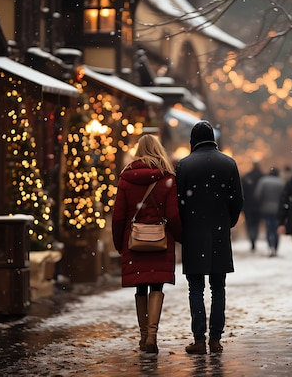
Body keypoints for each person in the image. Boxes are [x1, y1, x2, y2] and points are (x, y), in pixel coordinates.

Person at [176, 121, 244, 355]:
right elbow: (237, 201)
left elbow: (178, 203)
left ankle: (198, 340)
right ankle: (215, 339)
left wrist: (185, 227)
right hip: (218, 234)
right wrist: (227, 223)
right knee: (218, 287)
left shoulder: (184, 165)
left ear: (193, 141)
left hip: (193, 234)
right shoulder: (228, 163)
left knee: (196, 288)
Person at [111, 134, 182, 355]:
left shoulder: (125, 178)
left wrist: (118, 243)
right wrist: (180, 236)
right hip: (160, 241)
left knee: (141, 285)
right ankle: (152, 335)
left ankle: (143, 337)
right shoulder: (167, 178)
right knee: (156, 285)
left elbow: (118, 217)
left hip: (134, 241)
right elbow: (172, 214)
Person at [254, 166, 285, 257]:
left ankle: (270, 245)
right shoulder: (280, 182)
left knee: (269, 227)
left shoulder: (263, 181)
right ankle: (275, 246)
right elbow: (284, 196)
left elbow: (257, 194)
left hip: (266, 208)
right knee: (276, 228)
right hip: (277, 209)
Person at [241, 159, 263, 251]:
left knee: (249, 223)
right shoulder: (262, 177)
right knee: (256, 223)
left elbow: (242, 192)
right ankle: (254, 237)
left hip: (248, 205)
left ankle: (252, 239)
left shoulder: (246, 177)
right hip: (259, 205)